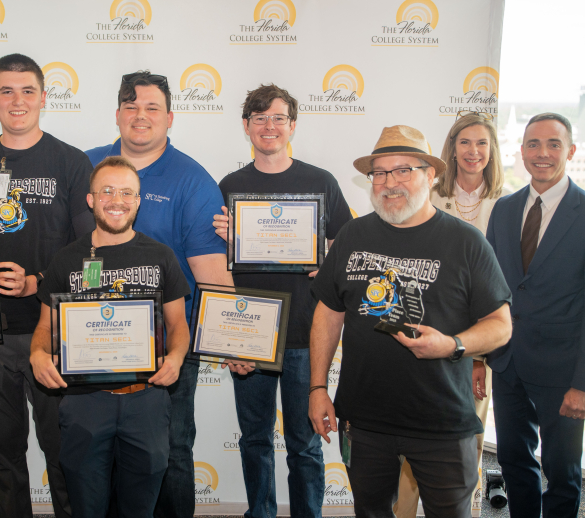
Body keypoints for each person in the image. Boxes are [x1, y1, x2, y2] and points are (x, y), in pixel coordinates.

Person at [308, 125, 512, 517]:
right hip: (365, 420)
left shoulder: (466, 242)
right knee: (370, 511)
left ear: (431, 174)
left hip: (443, 421)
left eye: (404, 170)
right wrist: (318, 387)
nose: (390, 183)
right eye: (380, 173)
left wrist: (452, 345)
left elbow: (501, 324)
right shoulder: (352, 235)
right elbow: (329, 312)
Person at [0, 53, 95, 518]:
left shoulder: (71, 162)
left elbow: (91, 257)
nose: (17, 100)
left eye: (28, 90)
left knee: (62, 450)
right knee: (4, 453)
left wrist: (38, 282)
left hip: (51, 333)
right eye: (6, 91)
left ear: (43, 98)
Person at [86, 71, 231, 518]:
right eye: (131, 106)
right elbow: (62, 253)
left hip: (168, 343)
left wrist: (236, 341)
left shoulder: (193, 180)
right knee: (99, 452)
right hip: (93, 338)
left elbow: (211, 275)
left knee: (171, 449)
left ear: (169, 117)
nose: (141, 116)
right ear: (117, 114)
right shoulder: (84, 167)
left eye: (152, 107)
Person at [212, 84, 353, 517]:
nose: (268, 126)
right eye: (259, 118)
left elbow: (347, 248)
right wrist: (230, 240)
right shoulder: (229, 186)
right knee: (254, 439)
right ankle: (260, 512)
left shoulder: (320, 181)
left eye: (278, 118)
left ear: (292, 125)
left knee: (304, 444)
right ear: (246, 126)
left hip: (306, 332)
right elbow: (214, 266)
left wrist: (324, 260)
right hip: (249, 331)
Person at [31, 156, 190, 518]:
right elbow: (45, 327)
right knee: (86, 505)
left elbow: (179, 325)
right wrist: (38, 354)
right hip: (85, 402)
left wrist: (176, 357)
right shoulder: (66, 259)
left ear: (138, 201)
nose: (116, 200)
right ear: (91, 199)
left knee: (140, 507)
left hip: (146, 400)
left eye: (126, 192)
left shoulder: (161, 256)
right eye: (107, 191)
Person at [486, 112, 585, 517]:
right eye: (534, 144)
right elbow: (489, 291)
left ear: (571, 151)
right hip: (507, 363)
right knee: (513, 461)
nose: (542, 153)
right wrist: (479, 357)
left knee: (562, 472)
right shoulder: (504, 210)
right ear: (522, 152)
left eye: (553, 144)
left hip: (563, 373)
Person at [394, 111, 509, 518]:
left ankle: (465, 511)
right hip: (421, 332)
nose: (473, 151)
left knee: (466, 443)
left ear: (492, 151)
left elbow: (500, 292)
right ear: (452, 149)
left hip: (477, 342)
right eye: (465, 142)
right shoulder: (426, 195)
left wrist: (478, 357)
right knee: (410, 441)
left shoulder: (507, 206)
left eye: (482, 143)